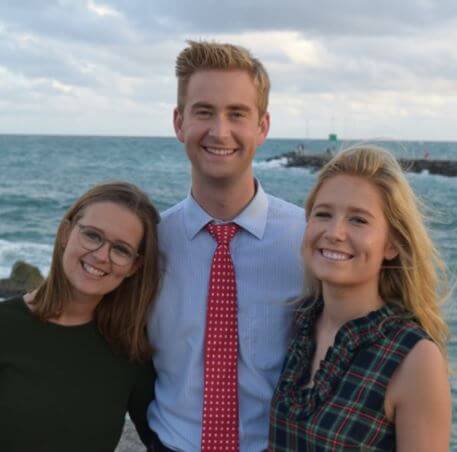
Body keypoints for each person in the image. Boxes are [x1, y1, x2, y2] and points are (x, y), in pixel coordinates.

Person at [147, 41, 305, 451]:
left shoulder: (307, 239)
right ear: (179, 122)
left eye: (237, 114)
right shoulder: (150, 243)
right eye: (204, 112)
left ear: (262, 127)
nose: (220, 131)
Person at [269, 145, 452, 451]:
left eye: (359, 220)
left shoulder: (415, 358)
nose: (335, 232)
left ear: (391, 244)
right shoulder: (299, 321)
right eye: (323, 214)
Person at [0, 181, 160, 452]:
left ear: (134, 266)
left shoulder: (129, 348)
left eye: (121, 249)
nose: (100, 256)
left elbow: (162, 438)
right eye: (92, 236)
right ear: (65, 233)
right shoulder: (5, 326)